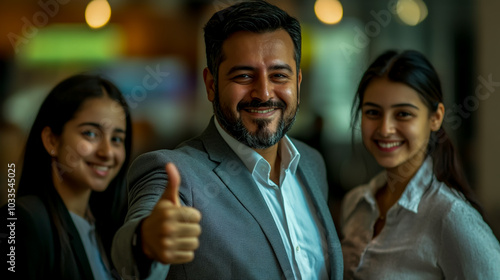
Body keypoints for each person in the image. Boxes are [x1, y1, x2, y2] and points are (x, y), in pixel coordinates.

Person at [111, 1, 343, 279]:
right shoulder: (174, 172)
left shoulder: (311, 164)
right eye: (244, 76)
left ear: (298, 81)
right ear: (211, 85)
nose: (264, 93)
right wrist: (145, 241)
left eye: (279, 75)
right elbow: (127, 252)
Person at [340, 50, 500, 279]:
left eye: (403, 114)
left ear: (435, 118)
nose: (385, 129)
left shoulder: (450, 216)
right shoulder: (356, 203)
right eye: (373, 112)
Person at [0, 74, 132, 279]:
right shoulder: (24, 220)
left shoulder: (110, 227)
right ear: (51, 140)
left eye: (116, 139)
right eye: (90, 134)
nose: (107, 152)